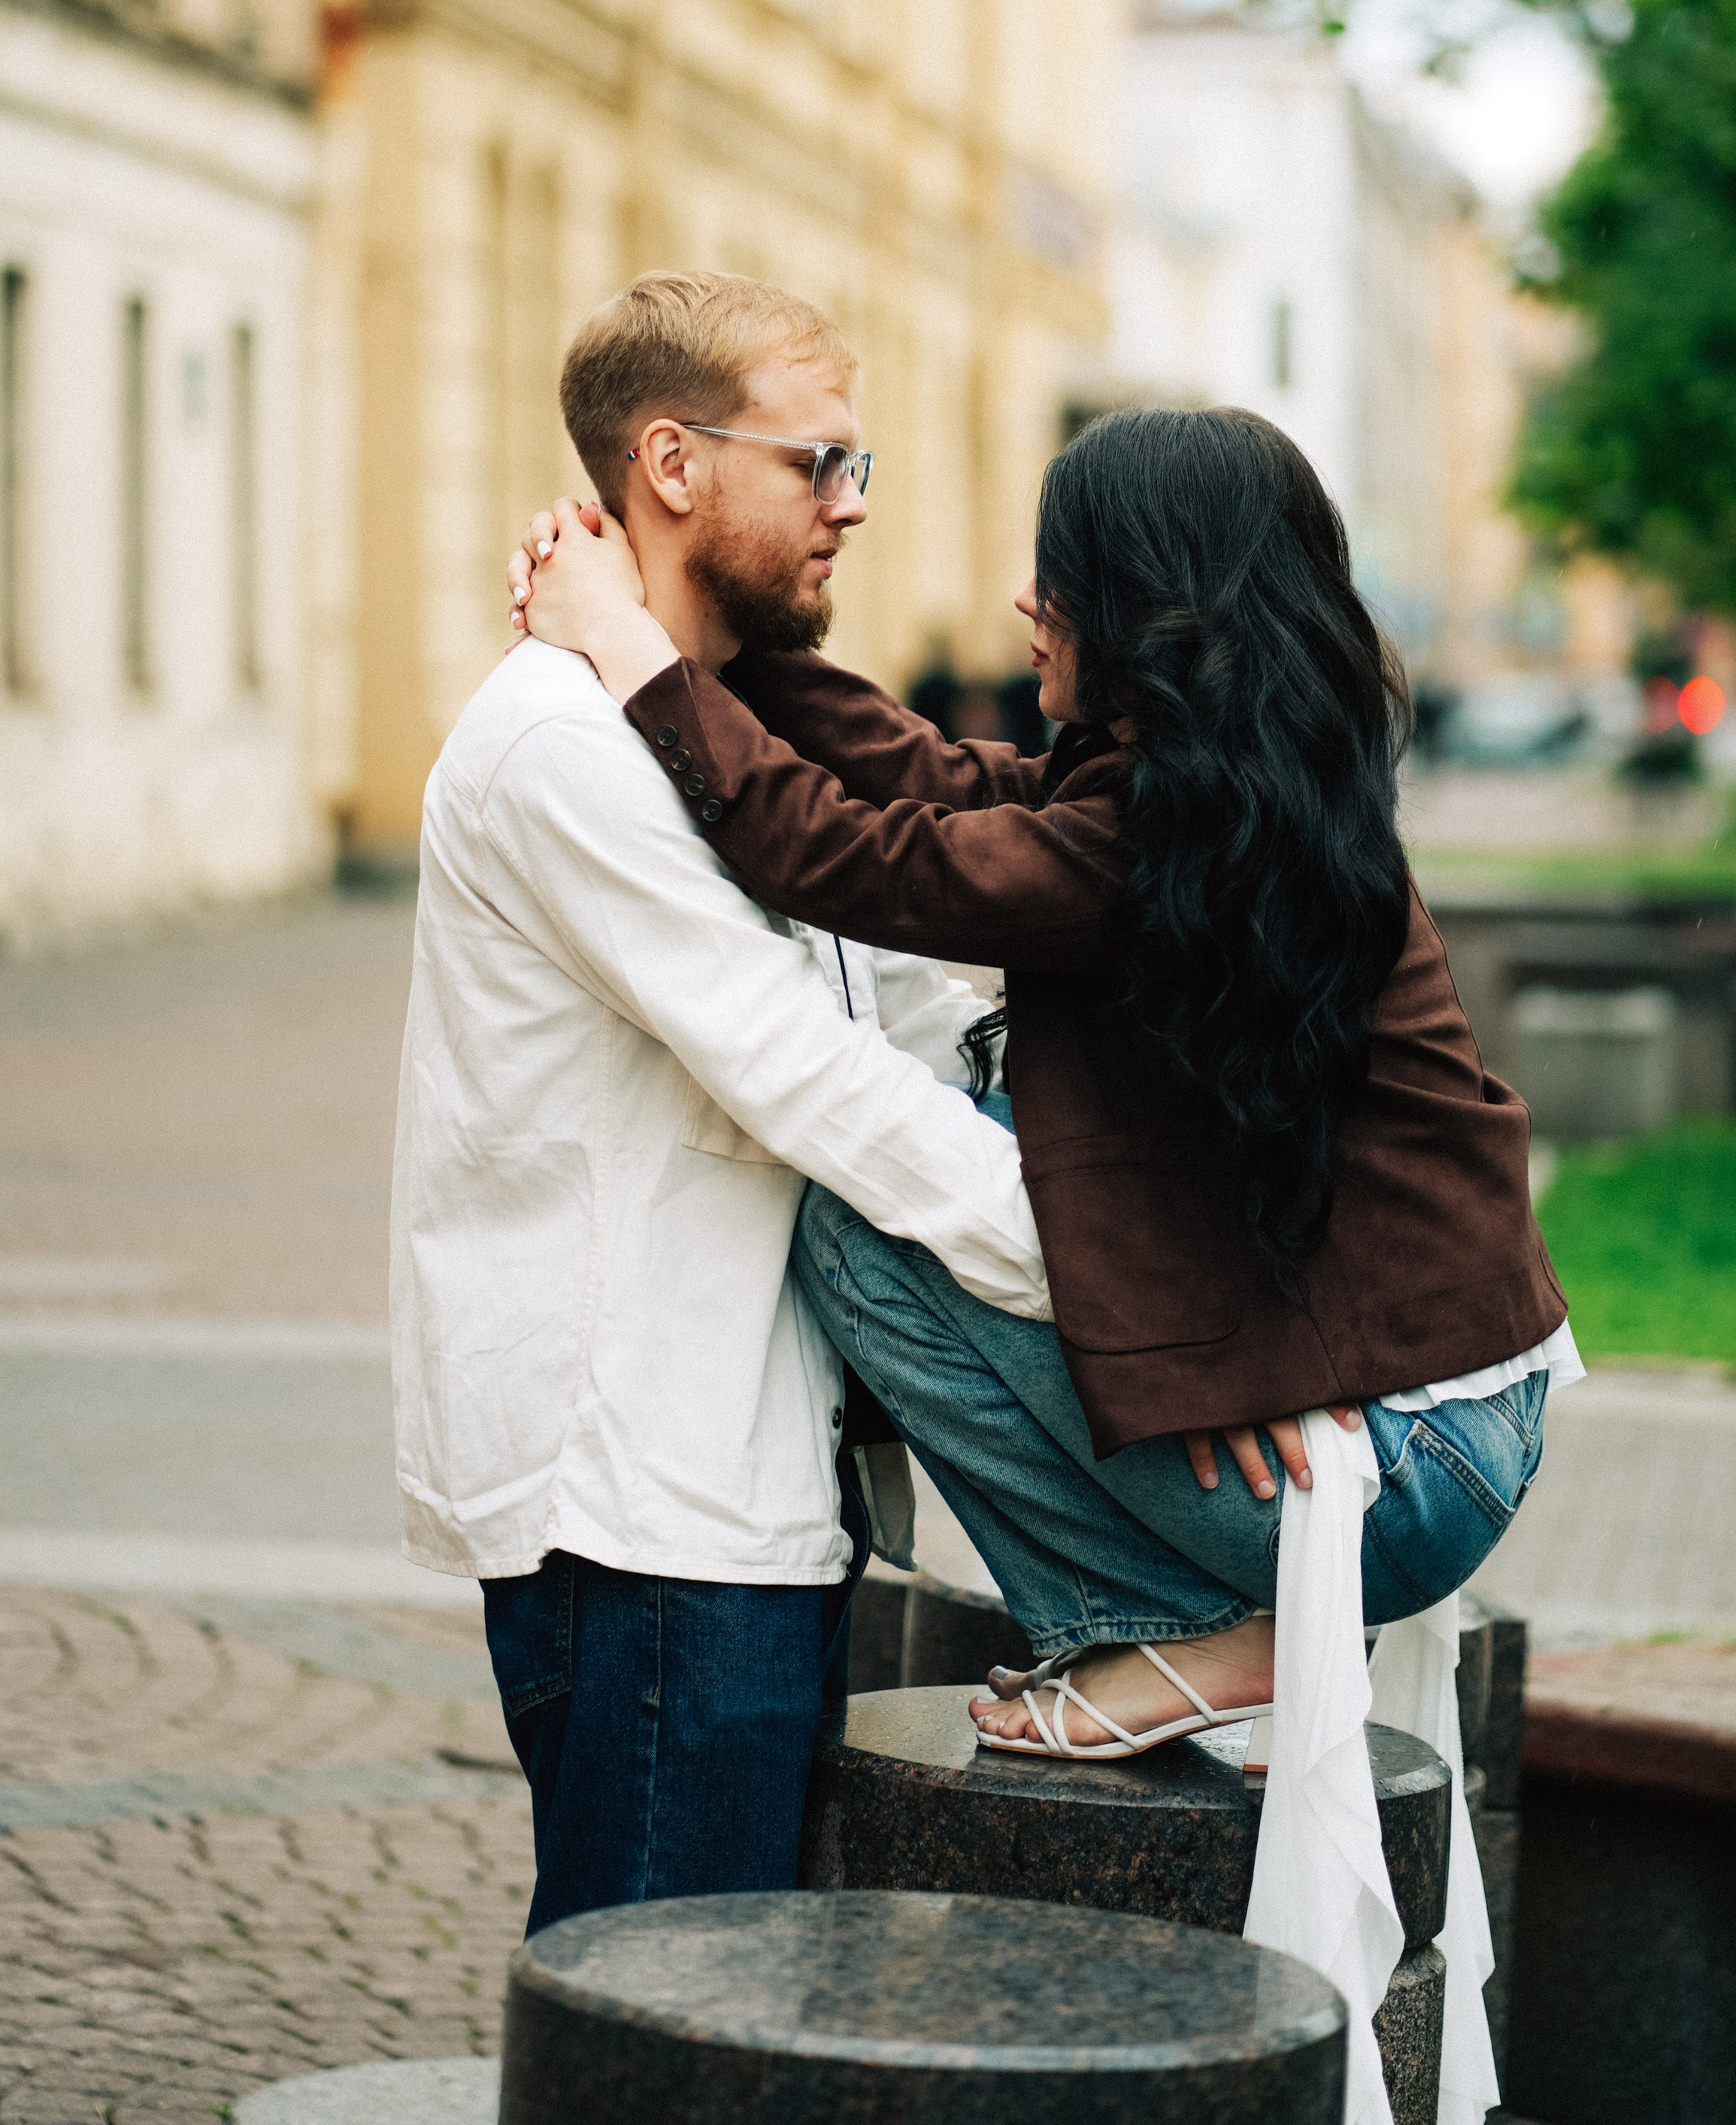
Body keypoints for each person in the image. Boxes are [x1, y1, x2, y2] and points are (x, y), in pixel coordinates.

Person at [511, 399, 1578, 1762]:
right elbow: (930, 774)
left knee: (863, 1227)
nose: (1027, 598)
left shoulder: (1144, 841)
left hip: (1406, 1468)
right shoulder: (1227, 793)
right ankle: (1207, 1624)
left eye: (1059, 571)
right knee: (1007, 1155)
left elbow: (844, 853)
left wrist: (626, 647)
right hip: (1465, 1421)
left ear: (1146, 604)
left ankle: (1166, 1632)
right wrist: (706, 619)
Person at [392, 270, 1049, 1936]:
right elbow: (793, 1064)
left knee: (723, 2006)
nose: (849, 508)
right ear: (671, 467)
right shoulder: (560, 750)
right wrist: (1074, 1259)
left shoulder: (700, 732)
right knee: (660, 2011)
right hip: (643, 1501)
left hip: (747, 1484)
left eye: (858, 467)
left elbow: (887, 1002)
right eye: (817, 462)